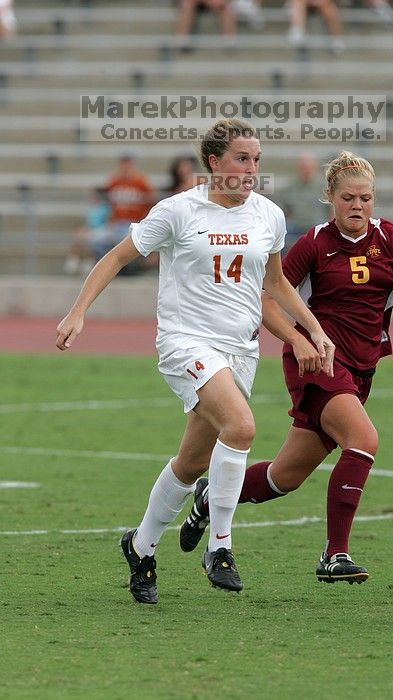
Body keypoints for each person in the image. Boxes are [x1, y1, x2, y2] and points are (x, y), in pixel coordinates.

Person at [56, 118, 335, 604]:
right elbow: (117, 257)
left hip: (241, 351)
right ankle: (220, 546)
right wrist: (78, 311)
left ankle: (140, 547)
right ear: (214, 162)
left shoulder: (266, 215)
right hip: (186, 344)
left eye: (257, 160)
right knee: (242, 427)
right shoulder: (177, 212)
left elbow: (276, 284)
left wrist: (313, 328)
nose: (252, 170)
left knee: (191, 462)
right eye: (241, 159)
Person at [179, 150, 393, 586]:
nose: (358, 206)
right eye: (349, 197)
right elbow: (268, 297)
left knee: (285, 477)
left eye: (366, 198)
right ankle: (335, 554)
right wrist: (297, 338)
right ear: (329, 196)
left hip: (361, 370)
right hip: (317, 361)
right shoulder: (314, 243)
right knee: (364, 438)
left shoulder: (390, 240)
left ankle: (212, 494)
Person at [105, 154, 157, 273]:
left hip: (134, 223)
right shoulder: (114, 181)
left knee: (124, 239)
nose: (125, 167)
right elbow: (108, 205)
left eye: (128, 163)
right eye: (123, 163)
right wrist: (110, 221)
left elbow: (152, 203)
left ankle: (128, 270)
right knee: (98, 239)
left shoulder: (141, 182)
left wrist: (143, 222)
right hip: (116, 223)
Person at [276, 153, 330, 252]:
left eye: (308, 167)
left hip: (316, 224)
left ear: (315, 168)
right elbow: (284, 209)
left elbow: (331, 211)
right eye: (303, 167)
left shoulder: (324, 187)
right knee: (281, 233)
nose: (306, 170)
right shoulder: (291, 187)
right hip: (296, 225)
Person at [63, 187, 112, 275]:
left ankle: (82, 259)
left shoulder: (105, 208)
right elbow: (89, 223)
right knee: (80, 235)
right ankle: (78, 258)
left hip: (102, 231)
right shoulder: (91, 209)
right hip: (92, 231)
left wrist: (91, 231)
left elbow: (108, 224)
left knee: (86, 238)